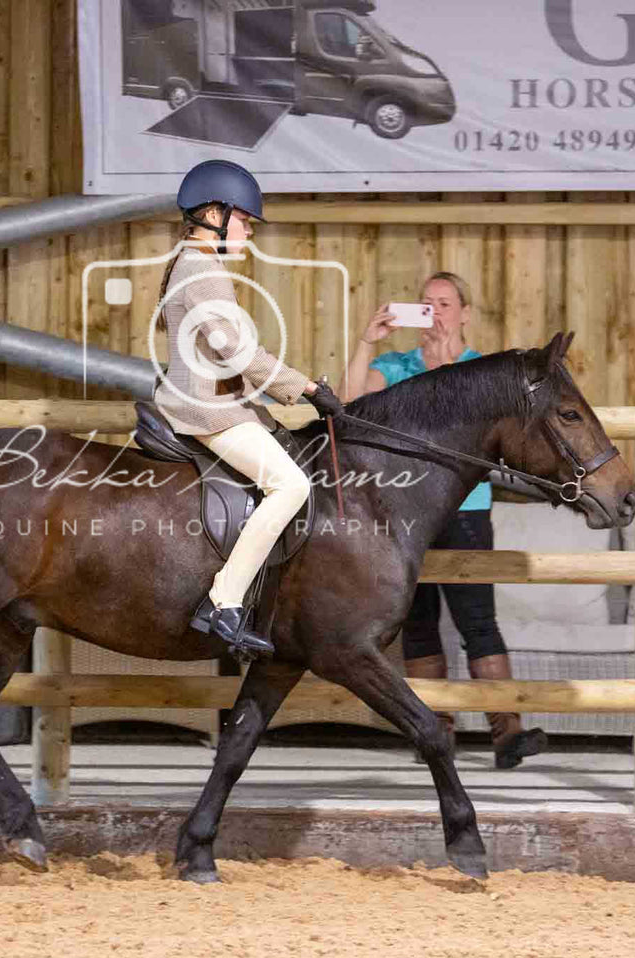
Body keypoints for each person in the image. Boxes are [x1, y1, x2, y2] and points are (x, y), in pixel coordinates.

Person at [343, 271, 547, 769]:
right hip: (405, 513)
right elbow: (348, 406)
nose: (435, 311)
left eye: (446, 303)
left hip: (466, 509)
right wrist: (365, 343)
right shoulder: (394, 365)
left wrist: (446, 362)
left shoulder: (480, 370)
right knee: (418, 625)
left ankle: (507, 735)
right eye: (427, 302)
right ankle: (436, 735)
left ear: (465, 313)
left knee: (478, 621)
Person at [153, 159, 344, 660]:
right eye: (244, 223)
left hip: (218, 400)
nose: (247, 234)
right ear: (215, 214)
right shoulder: (200, 269)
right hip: (207, 412)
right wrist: (306, 387)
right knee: (291, 485)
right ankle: (224, 601)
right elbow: (237, 352)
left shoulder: (188, 263)